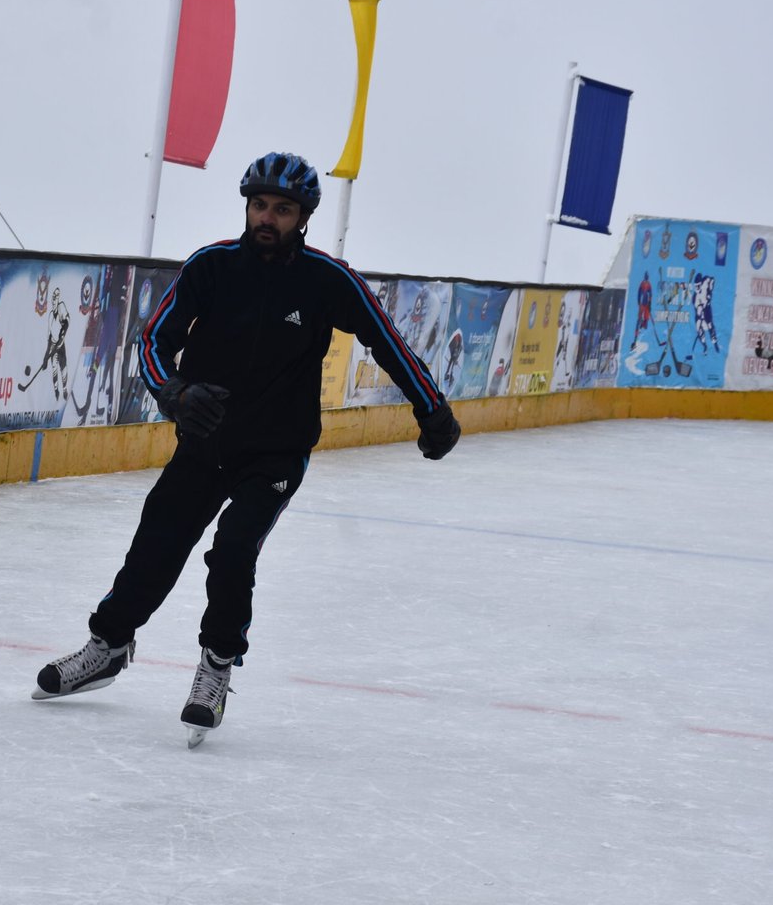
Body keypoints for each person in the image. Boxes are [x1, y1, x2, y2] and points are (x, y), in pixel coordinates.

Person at [31, 151, 461, 746]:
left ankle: (216, 663)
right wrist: (175, 393)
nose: (267, 217)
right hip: (205, 441)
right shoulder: (211, 266)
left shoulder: (327, 280)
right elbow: (153, 342)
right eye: (259, 205)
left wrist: (431, 408)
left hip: (276, 453)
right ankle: (107, 646)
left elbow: (386, 340)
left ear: (302, 218)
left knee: (234, 548)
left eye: (282, 209)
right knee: (156, 544)